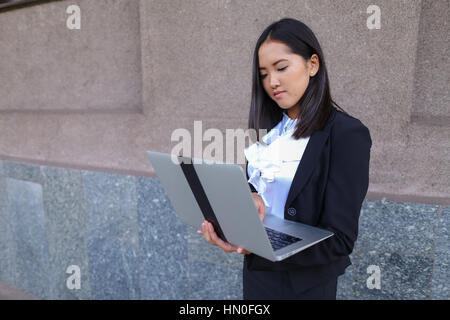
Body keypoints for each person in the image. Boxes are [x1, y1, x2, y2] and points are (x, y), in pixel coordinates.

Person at [198, 18, 372, 300]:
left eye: (281, 68)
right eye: (264, 74)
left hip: (305, 288)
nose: (272, 82)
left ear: (312, 65)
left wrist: (265, 244)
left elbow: (339, 241)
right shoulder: (269, 131)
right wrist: (233, 222)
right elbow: (263, 201)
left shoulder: (346, 133)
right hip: (258, 278)